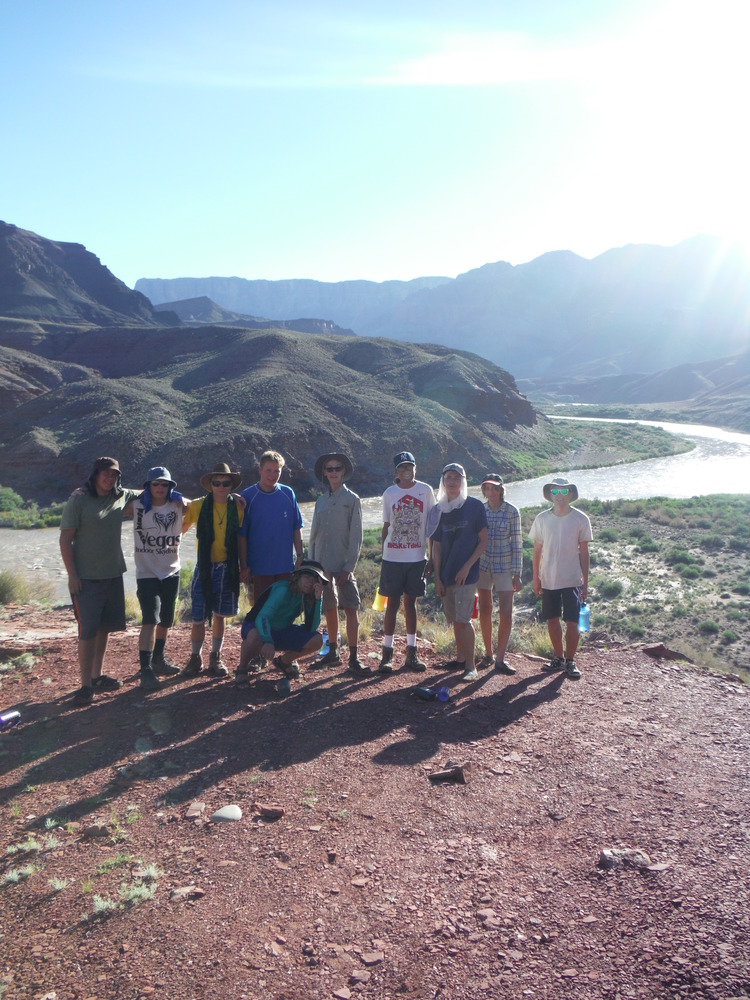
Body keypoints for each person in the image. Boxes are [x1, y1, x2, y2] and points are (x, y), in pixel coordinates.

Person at [59, 457, 142, 706]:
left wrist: (180, 497)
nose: (110, 478)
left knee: (105, 627)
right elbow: (65, 541)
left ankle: (96, 676)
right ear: (95, 474)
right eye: (105, 474)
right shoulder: (78, 499)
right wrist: (72, 576)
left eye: (114, 475)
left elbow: (153, 490)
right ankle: (85, 685)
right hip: (85, 579)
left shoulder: (120, 495)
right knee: (88, 630)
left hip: (112, 574)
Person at [308, 452, 370, 677]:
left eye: (337, 468)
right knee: (330, 609)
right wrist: (312, 566)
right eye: (330, 469)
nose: (333, 472)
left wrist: (349, 567)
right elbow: (313, 536)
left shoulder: (352, 499)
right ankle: (333, 653)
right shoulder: (320, 501)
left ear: (343, 472)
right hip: (322, 565)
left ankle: (354, 657)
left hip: (344, 565)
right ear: (325, 473)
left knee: (351, 609)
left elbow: (357, 536)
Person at [181, 462, 244, 679]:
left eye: (226, 483)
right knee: (198, 615)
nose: (221, 486)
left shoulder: (237, 507)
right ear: (210, 484)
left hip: (228, 568)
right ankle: (195, 657)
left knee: (220, 615)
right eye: (217, 483)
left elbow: (243, 539)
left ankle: (216, 656)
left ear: (231, 486)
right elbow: (179, 529)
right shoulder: (197, 506)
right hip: (204, 568)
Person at [128, 466, 187, 691]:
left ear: (170, 486)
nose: (160, 488)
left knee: (166, 619)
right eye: (155, 484)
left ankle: (158, 659)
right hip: (147, 573)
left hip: (171, 570)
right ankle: (146, 669)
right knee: (149, 619)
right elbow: (114, 500)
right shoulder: (137, 506)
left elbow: (201, 501)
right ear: (148, 486)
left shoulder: (178, 504)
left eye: (164, 484)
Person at [377, 451, 436, 673]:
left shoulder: (426, 491)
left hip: (417, 558)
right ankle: (387, 655)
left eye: (409, 467)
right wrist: (385, 555)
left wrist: (431, 556)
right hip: (392, 558)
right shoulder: (389, 493)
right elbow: (385, 527)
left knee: (411, 604)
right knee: (392, 605)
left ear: (415, 469)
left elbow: (431, 527)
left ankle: (411, 653)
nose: (406, 471)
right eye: (402, 468)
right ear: (396, 472)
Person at [428, 463, 488, 682]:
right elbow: (436, 546)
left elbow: (483, 541)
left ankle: (471, 667)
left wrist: (467, 567)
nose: (452, 481)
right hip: (446, 573)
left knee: (463, 620)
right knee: (455, 620)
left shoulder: (474, 506)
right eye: (448, 477)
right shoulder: (438, 510)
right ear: (443, 481)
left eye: (457, 477)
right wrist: (437, 578)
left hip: (467, 573)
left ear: (463, 481)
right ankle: (461, 659)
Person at [528, 476, 592, 681]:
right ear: (550, 495)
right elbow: (537, 550)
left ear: (571, 494)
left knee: (572, 622)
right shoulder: (542, 519)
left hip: (572, 579)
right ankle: (558, 657)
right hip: (549, 579)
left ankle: (570, 661)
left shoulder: (580, 519)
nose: (560, 495)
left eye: (564, 492)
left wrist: (585, 581)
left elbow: (584, 552)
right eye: (555, 492)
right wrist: (536, 579)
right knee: (552, 619)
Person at [235, 559, 327, 684]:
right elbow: (262, 617)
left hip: (282, 630)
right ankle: (242, 668)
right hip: (256, 626)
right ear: (297, 577)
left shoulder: (308, 596)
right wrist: (267, 640)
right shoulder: (283, 589)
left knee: (317, 640)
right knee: (254, 636)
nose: (310, 583)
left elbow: (312, 628)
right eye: (307, 577)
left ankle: (284, 661)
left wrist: (318, 600)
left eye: (314, 580)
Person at [239, 450, 304, 603]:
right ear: (260, 470)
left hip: (285, 568)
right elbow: (241, 535)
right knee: (260, 614)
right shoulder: (248, 496)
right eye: (268, 470)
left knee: (282, 612)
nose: (272, 475)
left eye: (277, 471)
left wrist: (300, 556)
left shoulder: (288, 494)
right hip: (258, 569)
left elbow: (297, 527)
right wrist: (243, 565)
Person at [477, 474, 523, 676]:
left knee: (506, 612)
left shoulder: (512, 512)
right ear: (484, 491)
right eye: (488, 489)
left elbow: (517, 543)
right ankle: (488, 653)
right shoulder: (480, 510)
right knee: (485, 609)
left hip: (504, 566)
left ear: (501, 490)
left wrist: (517, 573)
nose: (491, 492)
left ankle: (501, 659)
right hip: (484, 565)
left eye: (495, 489)